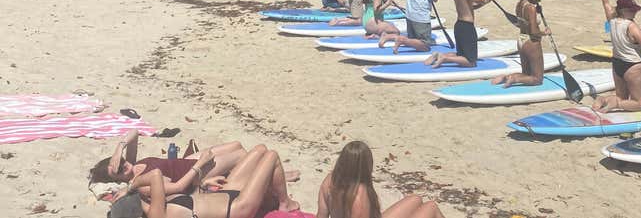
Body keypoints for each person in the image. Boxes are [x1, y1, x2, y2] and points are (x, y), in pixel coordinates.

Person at [108, 147, 299, 218]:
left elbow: (190, 199)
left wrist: (204, 185)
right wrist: (131, 186)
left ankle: (269, 198)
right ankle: (285, 204)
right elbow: (156, 174)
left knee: (259, 151)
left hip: (222, 194)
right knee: (272, 156)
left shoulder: (156, 205)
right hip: (236, 208)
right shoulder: (157, 213)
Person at [316, 140, 446, 218]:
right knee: (431, 206)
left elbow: (321, 215)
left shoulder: (329, 181)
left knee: (415, 199)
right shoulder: (359, 194)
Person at [89, 130, 246, 192]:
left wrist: (119, 149)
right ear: (117, 181)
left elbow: (135, 133)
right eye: (118, 171)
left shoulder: (132, 163)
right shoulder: (141, 182)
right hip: (197, 172)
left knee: (236, 145)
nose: (123, 166)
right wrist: (200, 164)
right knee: (241, 155)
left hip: (184, 161)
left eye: (119, 162)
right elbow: (178, 187)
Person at [591, 0, 641, 112]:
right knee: (638, 104)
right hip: (633, 66)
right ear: (624, 11)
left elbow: (606, 4)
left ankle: (603, 100)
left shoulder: (611, 20)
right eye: (632, 10)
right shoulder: (632, 26)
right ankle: (615, 105)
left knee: (621, 97)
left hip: (617, 63)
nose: (635, 12)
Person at [425, 0, 489, 68]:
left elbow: (471, 7)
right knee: (471, 62)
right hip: (466, 27)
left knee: (461, 55)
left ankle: (439, 55)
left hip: (460, 25)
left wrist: (486, 2)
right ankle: (445, 58)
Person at [491, 0, 549, 87]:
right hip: (531, 42)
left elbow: (523, 22)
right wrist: (545, 33)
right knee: (537, 79)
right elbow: (534, 31)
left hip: (521, 39)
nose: (538, 2)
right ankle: (513, 78)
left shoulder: (519, 4)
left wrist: (537, 12)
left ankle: (506, 77)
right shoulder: (531, 8)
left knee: (526, 74)